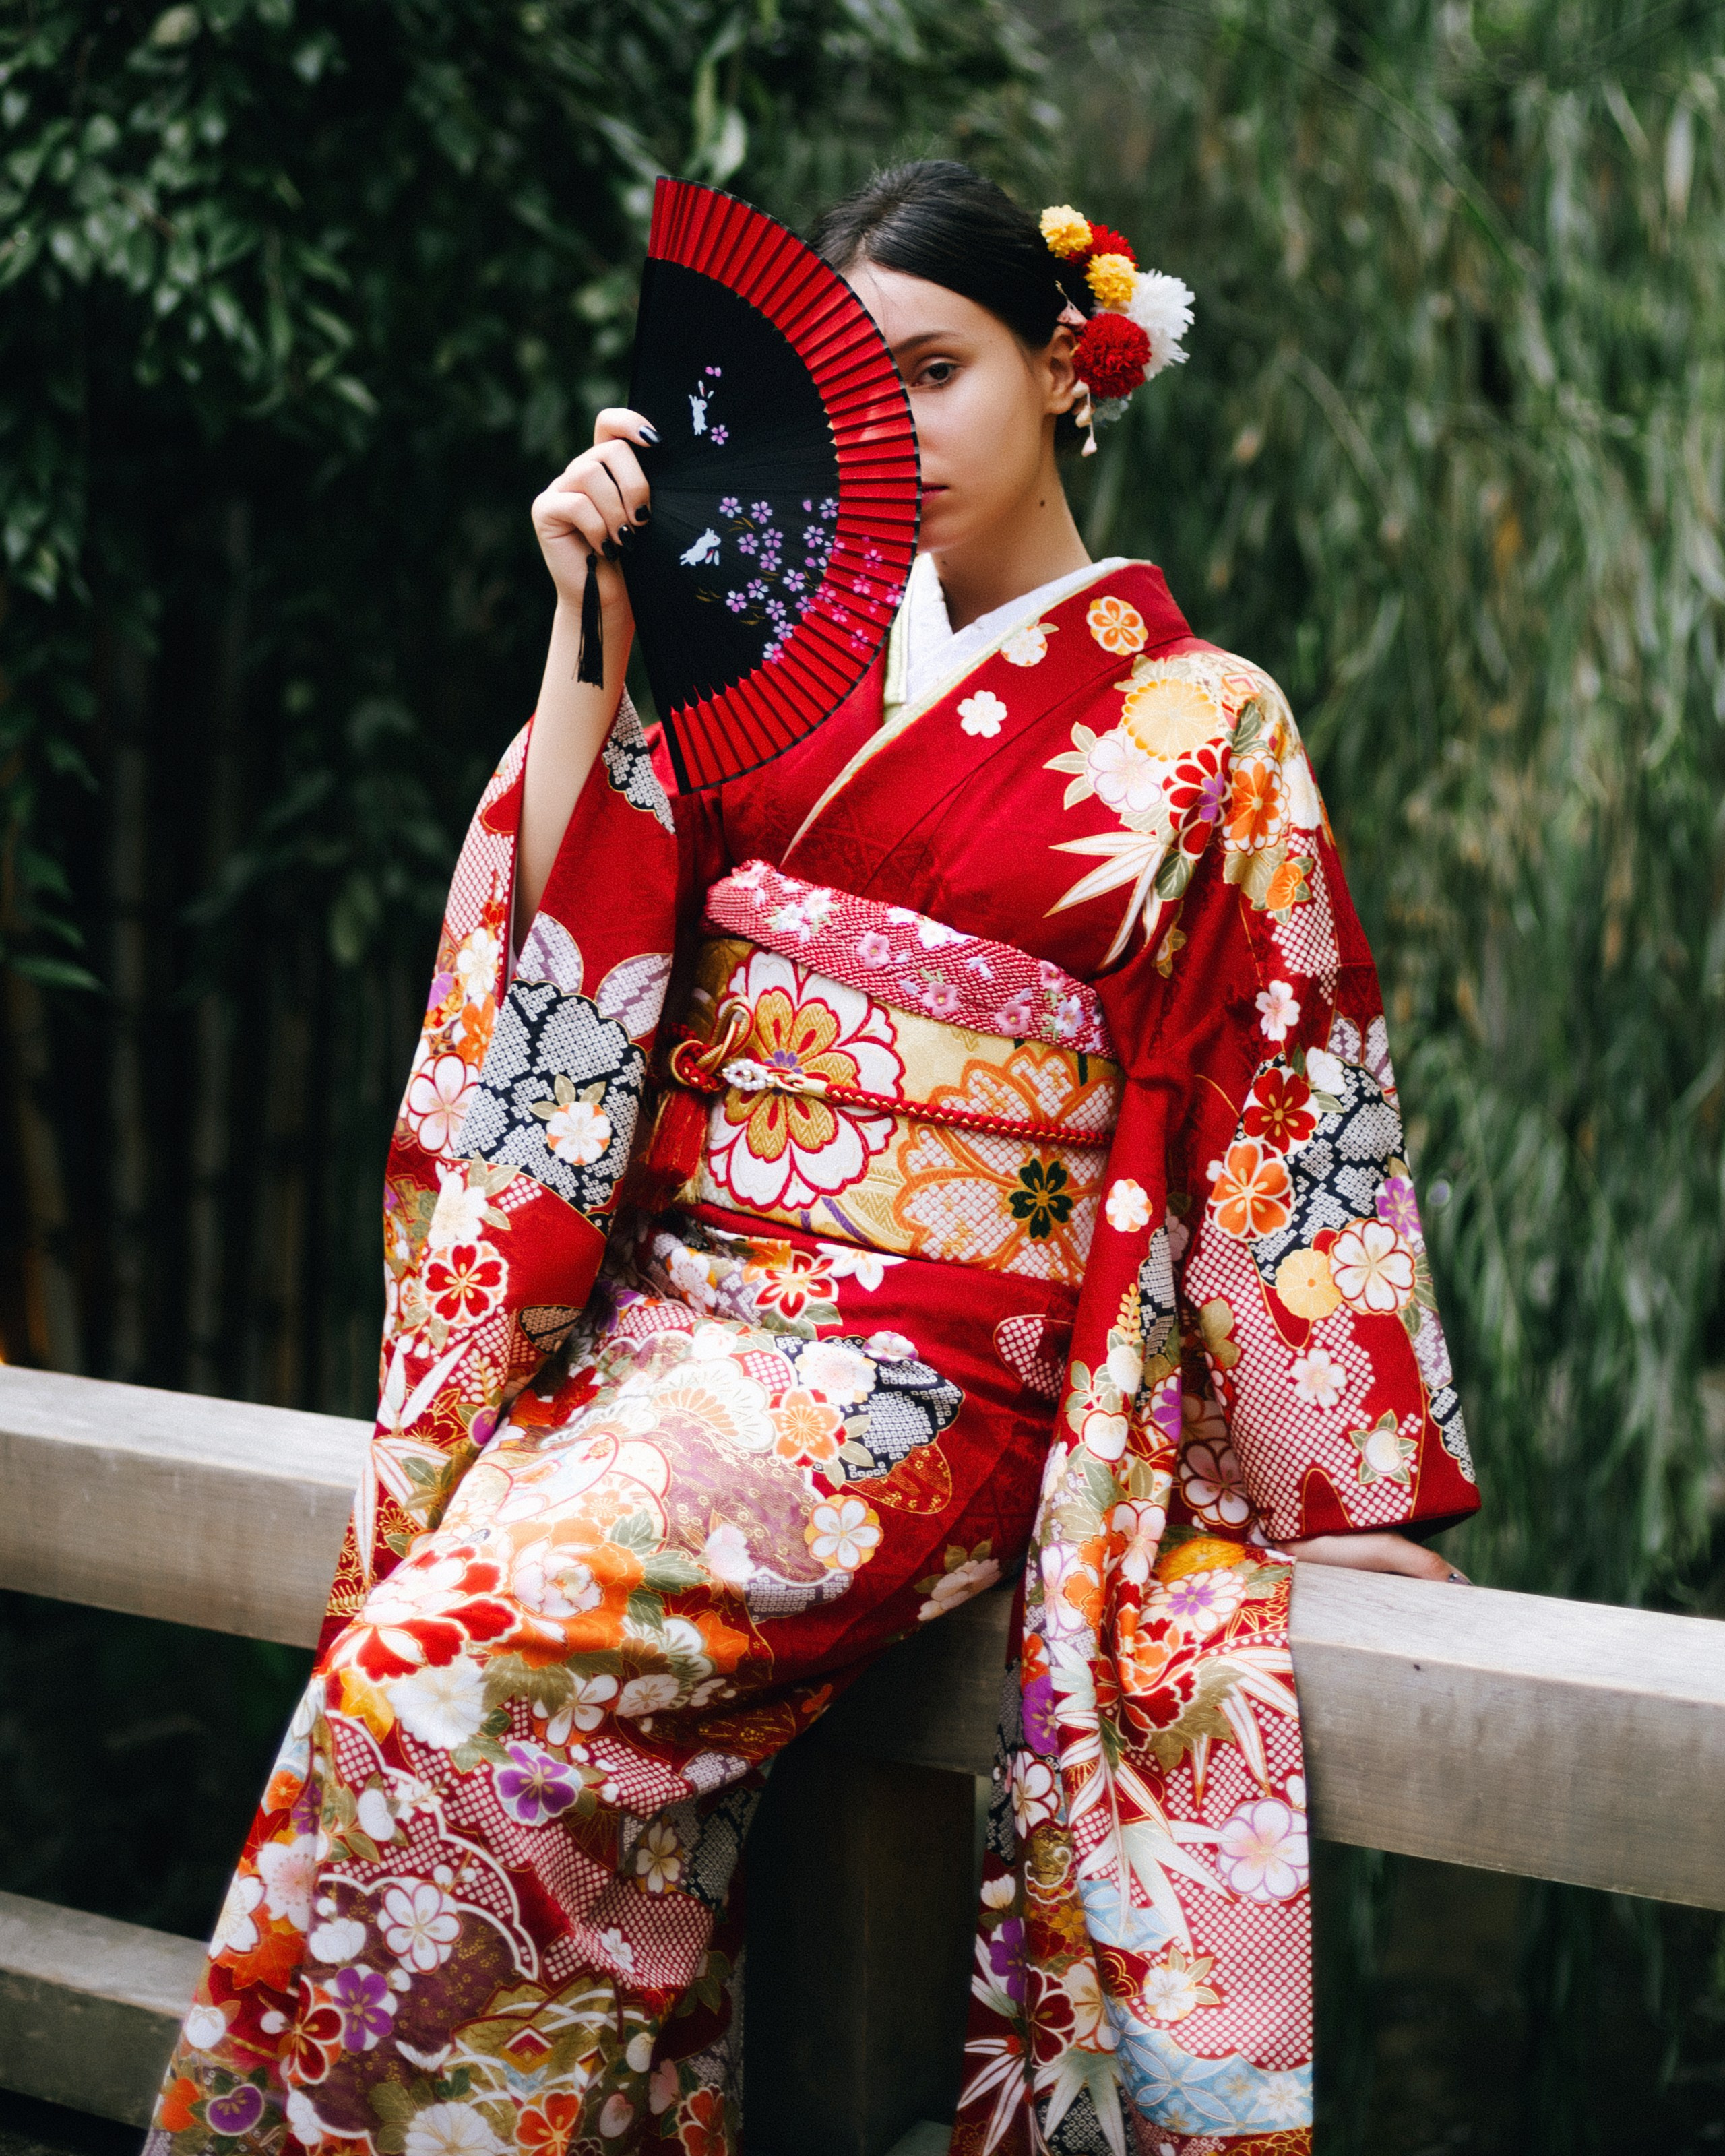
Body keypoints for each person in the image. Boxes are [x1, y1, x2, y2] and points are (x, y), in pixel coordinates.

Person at [147, 162, 1477, 2156]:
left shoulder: (1208, 726)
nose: (901, 431)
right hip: (676, 1348)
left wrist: (1344, 1485)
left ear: (1068, 365)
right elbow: (566, 956)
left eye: (938, 372)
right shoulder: (764, 670)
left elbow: (1284, 1097)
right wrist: (596, 636)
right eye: (857, 388)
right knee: (402, 1702)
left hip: (931, 1373)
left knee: (437, 1668)